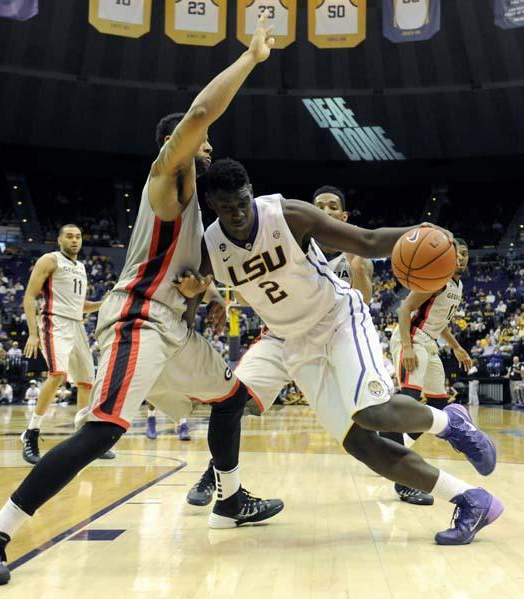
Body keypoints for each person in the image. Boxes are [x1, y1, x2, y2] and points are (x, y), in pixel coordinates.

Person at [0, 17, 282, 588]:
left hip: (174, 329)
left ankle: (229, 500)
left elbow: (195, 274)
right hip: (138, 321)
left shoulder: (197, 208)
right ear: (176, 144)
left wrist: (201, 288)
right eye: (200, 140)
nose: (209, 144)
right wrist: (250, 57)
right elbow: (200, 114)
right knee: (103, 429)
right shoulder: (166, 176)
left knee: (232, 400)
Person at [177, 158, 500, 545]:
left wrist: (425, 232)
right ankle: (470, 500)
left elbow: (365, 240)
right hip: (295, 344)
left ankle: (451, 425)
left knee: (372, 412)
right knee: (360, 445)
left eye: (243, 202)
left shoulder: (288, 214)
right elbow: (190, 299)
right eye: (228, 207)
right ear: (212, 204)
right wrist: (200, 299)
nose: (239, 213)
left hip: (338, 320)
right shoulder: (208, 249)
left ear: (251, 193)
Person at [187, 184, 374, 506]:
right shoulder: (285, 238)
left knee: (373, 409)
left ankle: (407, 479)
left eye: (332, 207)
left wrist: (359, 270)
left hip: (338, 334)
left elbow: (364, 308)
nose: (325, 212)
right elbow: (244, 290)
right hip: (281, 338)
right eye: (319, 206)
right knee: (233, 402)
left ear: (343, 216)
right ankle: (217, 474)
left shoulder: (354, 256)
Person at [382, 238, 471, 505]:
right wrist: (407, 347)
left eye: (466, 254)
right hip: (412, 337)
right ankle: (403, 479)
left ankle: (393, 444)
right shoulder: (436, 278)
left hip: (429, 341)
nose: (462, 258)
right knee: (408, 398)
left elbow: (440, 323)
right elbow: (405, 308)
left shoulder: (458, 285)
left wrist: (457, 347)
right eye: (458, 254)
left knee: (438, 403)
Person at [20, 224, 109, 465]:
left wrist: (103, 302)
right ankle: (31, 433)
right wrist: (32, 333)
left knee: (87, 383)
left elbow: (80, 306)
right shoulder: (50, 260)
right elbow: (29, 296)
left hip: (77, 324)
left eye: (78, 237)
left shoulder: (80, 266)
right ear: (60, 239)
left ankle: (82, 437)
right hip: (53, 322)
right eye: (69, 236)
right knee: (58, 375)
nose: (74, 240)